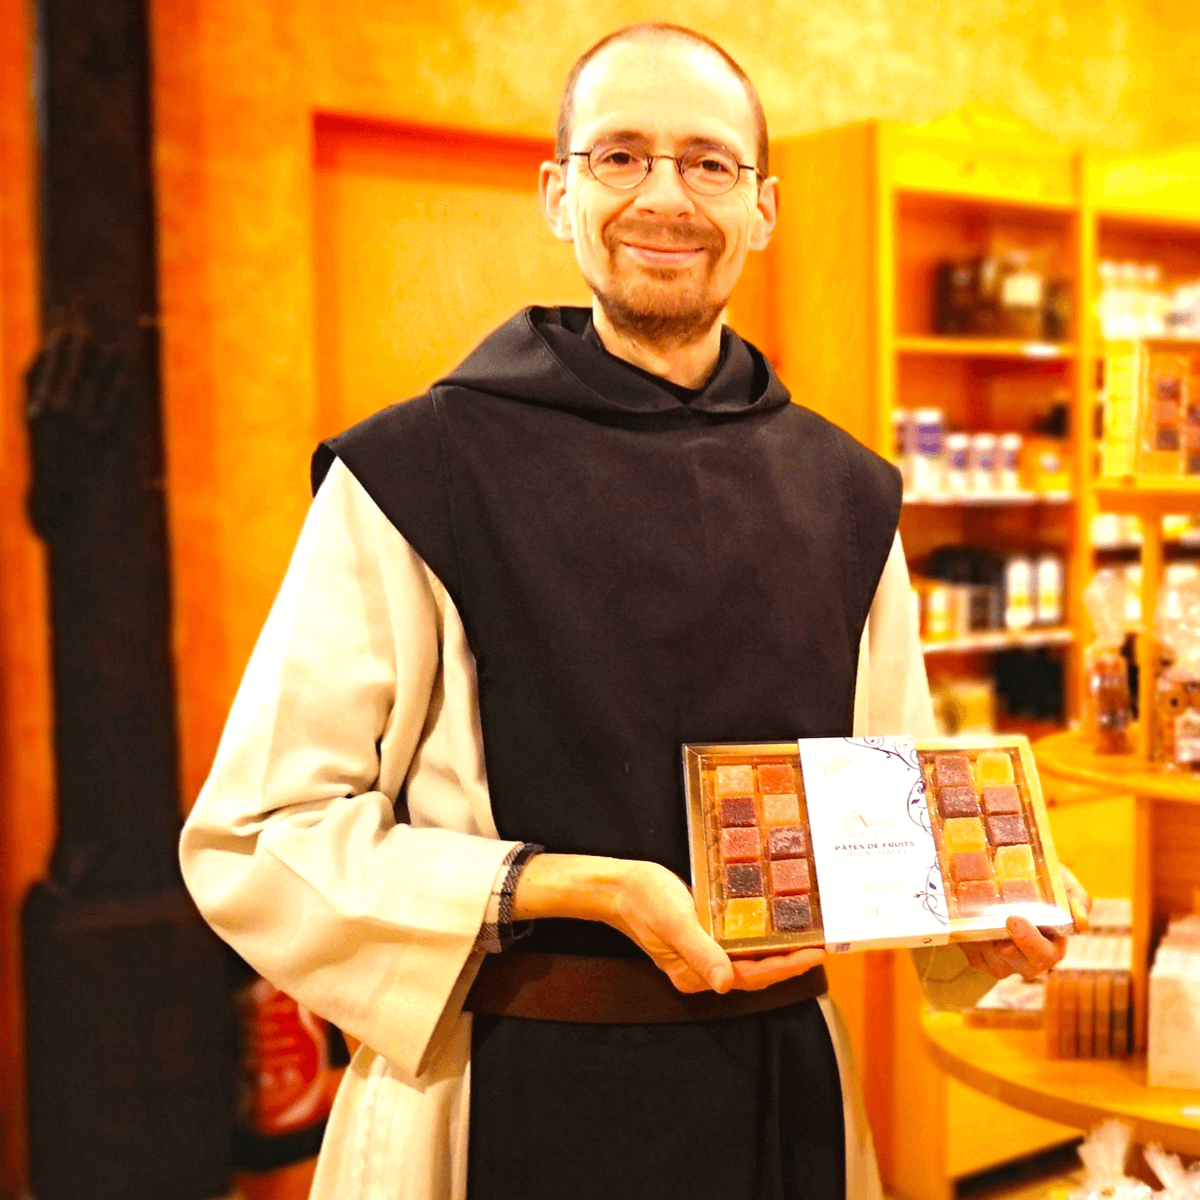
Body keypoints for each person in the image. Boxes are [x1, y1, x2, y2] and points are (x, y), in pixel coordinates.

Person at [180, 23, 1087, 1200]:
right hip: (499, 1088)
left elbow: (888, 820)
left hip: (781, 1096)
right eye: (621, 157)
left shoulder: (850, 494)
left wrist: (986, 904)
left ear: (764, 207)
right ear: (558, 193)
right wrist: (567, 885)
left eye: (708, 163)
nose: (666, 195)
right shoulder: (418, 475)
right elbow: (260, 838)